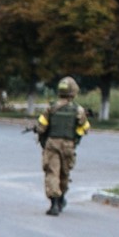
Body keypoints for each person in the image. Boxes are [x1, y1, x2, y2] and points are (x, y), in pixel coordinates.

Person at [35, 76, 90, 216]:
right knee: (64, 174)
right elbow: (85, 128)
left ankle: (54, 204)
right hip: (68, 145)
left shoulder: (51, 107)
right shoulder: (78, 110)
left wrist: (37, 130)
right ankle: (61, 199)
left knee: (52, 173)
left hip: (52, 143)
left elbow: (41, 127)